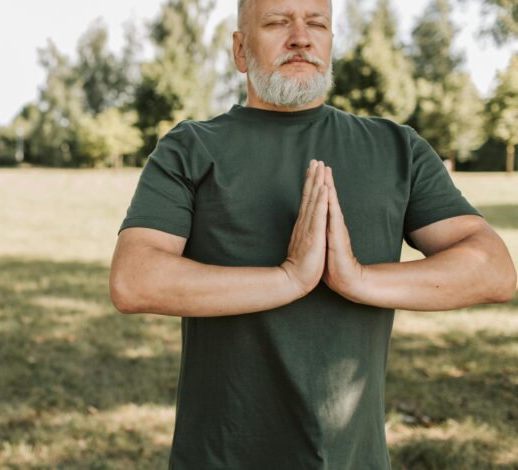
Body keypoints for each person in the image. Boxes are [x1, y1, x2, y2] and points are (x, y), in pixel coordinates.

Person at [109, 0, 517, 468]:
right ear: (241, 51)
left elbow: (494, 271)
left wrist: (358, 279)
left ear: (329, 45)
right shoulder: (191, 147)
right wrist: (288, 280)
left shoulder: (397, 148)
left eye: (317, 24)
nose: (301, 36)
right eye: (278, 22)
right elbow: (134, 280)